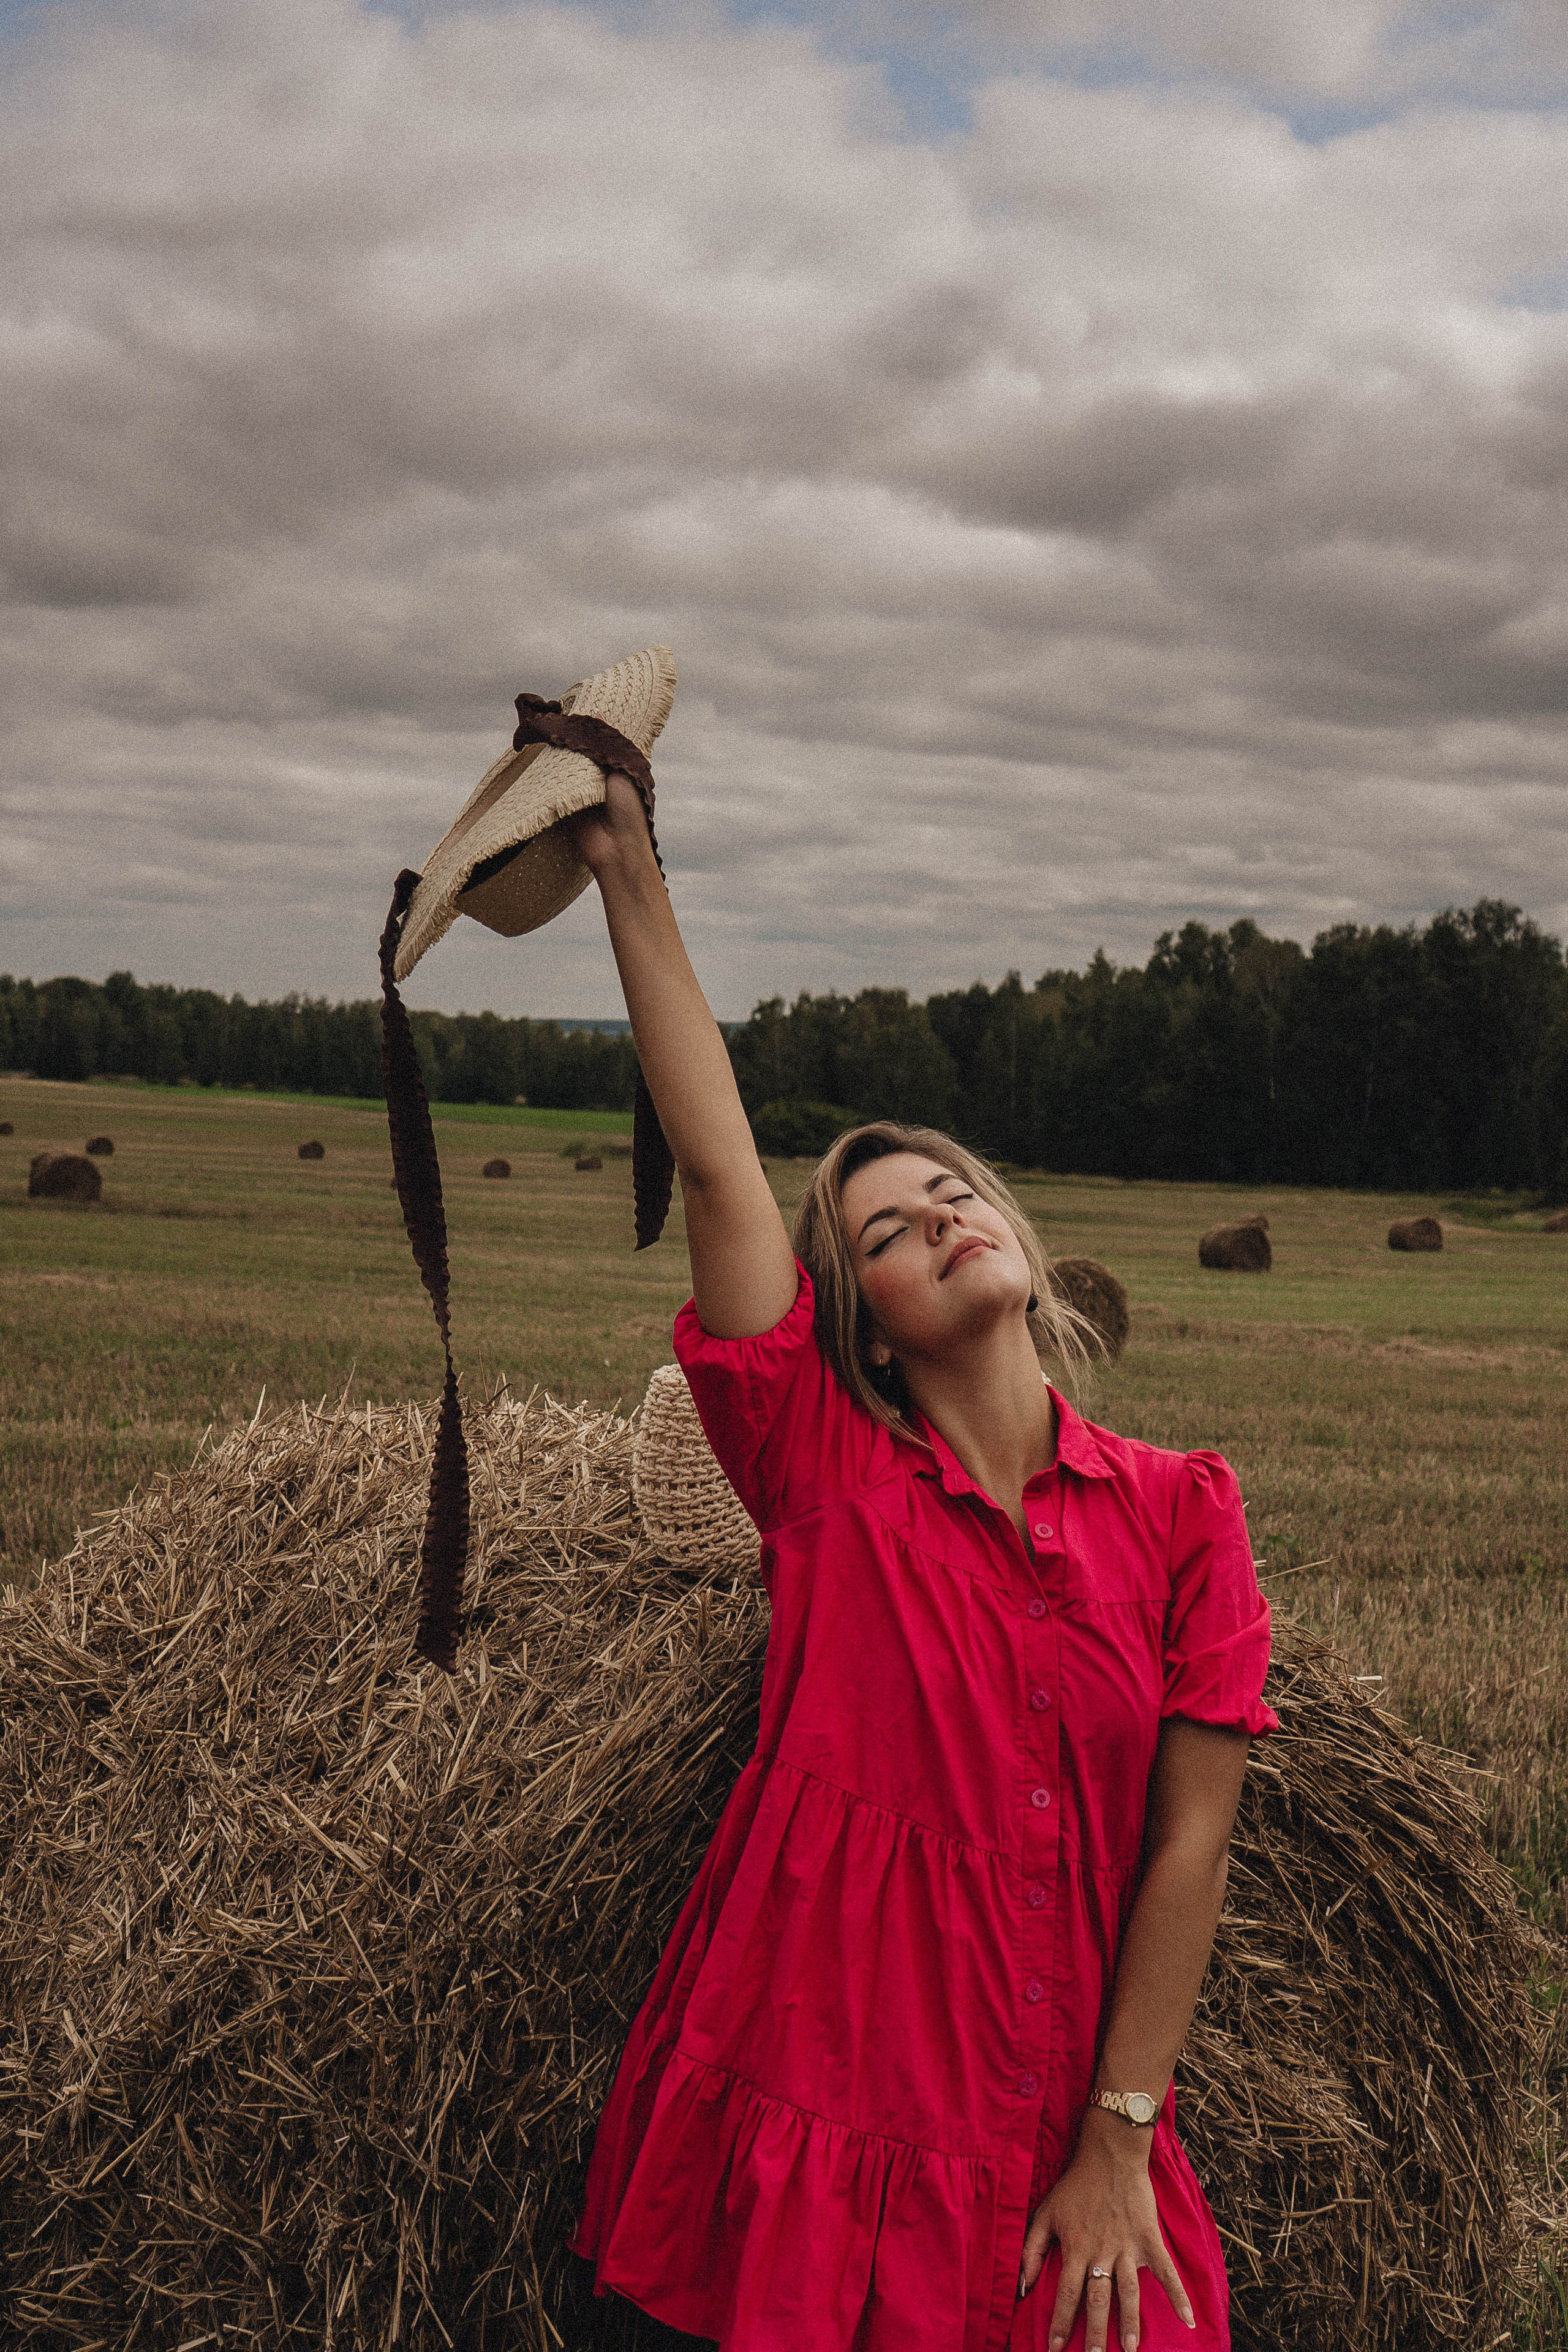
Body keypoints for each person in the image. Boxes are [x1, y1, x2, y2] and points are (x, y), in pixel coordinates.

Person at [565, 772, 1278, 2352]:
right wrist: (625, 864)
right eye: (886, 1229)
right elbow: (716, 1168)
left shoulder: (1181, 1513)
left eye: (953, 1191)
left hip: (1052, 2124)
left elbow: (1190, 1850)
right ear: (859, 1330)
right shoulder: (825, 1479)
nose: (940, 1216)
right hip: (815, 2096)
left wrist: (1121, 2141)